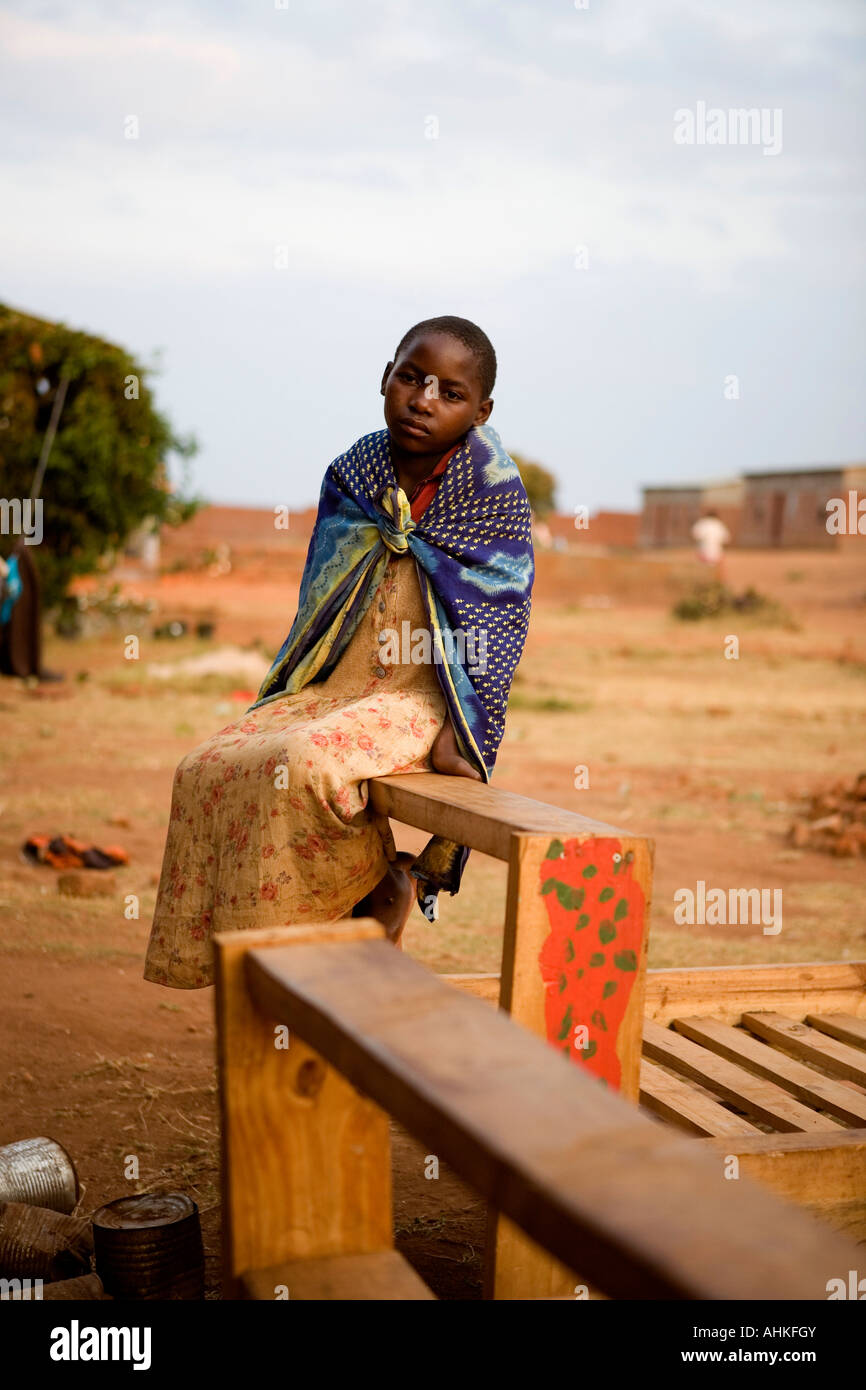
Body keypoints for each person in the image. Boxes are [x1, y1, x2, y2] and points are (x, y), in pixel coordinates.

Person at [144, 316, 535, 989]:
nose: (423, 399)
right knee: (204, 766)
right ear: (386, 376)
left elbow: (498, 617)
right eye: (411, 377)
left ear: (481, 411)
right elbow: (321, 594)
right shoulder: (356, 471)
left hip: (421, 699)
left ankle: (359, 916)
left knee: (306, 761)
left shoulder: (489, 490)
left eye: (450, 391)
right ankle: (283, 959)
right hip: (336, 685)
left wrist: (467, 733)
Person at [691, 509, 731, 581]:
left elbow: (695, 535)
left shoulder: (702, 523)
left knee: (702, 570)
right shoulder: (719, 525)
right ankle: (720, 582)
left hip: (703, 552)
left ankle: (702, 581)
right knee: (720, 569)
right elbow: (726, 539)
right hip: (717, 553)